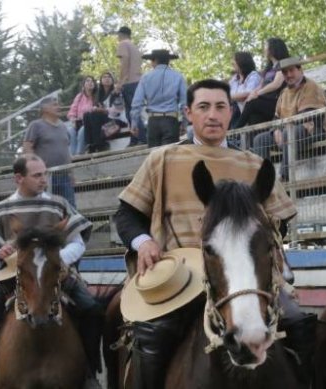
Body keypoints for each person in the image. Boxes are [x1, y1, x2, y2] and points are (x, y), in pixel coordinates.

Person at [115, 79, 315, 388]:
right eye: (203, 107)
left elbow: (279, 222)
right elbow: (127, 214)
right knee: (154, 334)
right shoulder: (161, 159)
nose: (212, 115)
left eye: (221, 107)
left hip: (243, 279)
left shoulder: (253, 163)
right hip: (177, 279)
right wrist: (144, 243)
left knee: (299, 324)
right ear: (188, 113)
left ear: (231, 112)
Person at [0, 154, 102, 386]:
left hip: (55, 272)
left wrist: (55, 260)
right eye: (37, 175)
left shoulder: (58, 204)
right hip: (13, 275)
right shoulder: (0, 209)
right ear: (19, 178)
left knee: (92, 308)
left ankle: (90, 371)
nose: (43, 179)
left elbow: (78, 243)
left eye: (44, 174)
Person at [252, 57, 326, 181]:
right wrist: (275, 131)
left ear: (300, 70)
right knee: (259, 139)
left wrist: (283, 130)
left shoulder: (311, 87)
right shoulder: (284, 93)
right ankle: (265, 181)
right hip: (288, 133)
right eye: (285, 72)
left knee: (289, 133)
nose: (288, 75)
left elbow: (310, 117)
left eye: (291, 70)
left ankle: (285, 177)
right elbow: (276, 117)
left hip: (316, 130)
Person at [22, 97, 76, 208]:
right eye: (55, 105)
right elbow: (28, 147)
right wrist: (35, 172)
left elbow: (66, 150)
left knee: (70, 209)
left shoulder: (63, 126)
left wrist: (72, 173)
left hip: (65, 175)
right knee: (49, 209)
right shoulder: (36, 125)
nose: (59, 107)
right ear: (45, 109)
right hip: (46, 177)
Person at [130, 49, 188, 148]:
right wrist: (184, 123)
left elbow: (137, 102)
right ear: (168, 61)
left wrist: (134, 123)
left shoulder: (146, 77)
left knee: (155, 158)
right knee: (170, 158)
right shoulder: (178, 77)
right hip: (170, 120)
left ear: (154, 61)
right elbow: (184, 102)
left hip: (153, 121)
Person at [235, 37, 290, 128]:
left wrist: (258, 94)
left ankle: (235, 131)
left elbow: (276, 84)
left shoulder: (283, 64)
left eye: (266, 46)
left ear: (272, 49)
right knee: (254, 115)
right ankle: (252, 141)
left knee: (252, 103)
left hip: (278, 102)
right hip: (266, 102)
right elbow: (260, 85)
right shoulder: (269, 68)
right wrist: (252, 94)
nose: (264, 49)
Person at [115, 26, 146, 147]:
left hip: (129, 82)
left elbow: (125, 62)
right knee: (133, 111)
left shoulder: (123, 44)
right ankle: (135, 139)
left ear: (121, 34)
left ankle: (142, 138)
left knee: (132, 112)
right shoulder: (134, 46)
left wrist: (120, 81)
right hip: (138, 81)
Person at [83, 72, 128, 153]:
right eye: (104, 77)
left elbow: (118, 111)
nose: (107, 79)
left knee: (95, 115)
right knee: (86, 115)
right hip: (105, 120)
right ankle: (90, 145)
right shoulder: (99, 95)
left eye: (109, 77)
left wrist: (104, 110)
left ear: (112, 80)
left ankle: (100, 145)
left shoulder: (116, 92)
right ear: (101, 81)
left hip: (118, 121)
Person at [229, 51, 262, 129]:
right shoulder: (234, 79)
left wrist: (229, 97)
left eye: (234, 60)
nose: (232, 63)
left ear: (242, 62)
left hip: (248, 112)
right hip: (235, 112)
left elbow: (248, 93)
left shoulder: (253, 75)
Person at [67, 75, 97, 155]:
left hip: (89, 124)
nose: (90, 82)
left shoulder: (96, 96)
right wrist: (73, 120)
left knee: (82, 131)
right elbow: (72, 111)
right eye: (87, 81)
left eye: (92, 81)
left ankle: (79, 154)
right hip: (78, 122)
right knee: (70, 131)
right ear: (83, 85)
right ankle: (72, 155)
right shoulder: (79, 96)